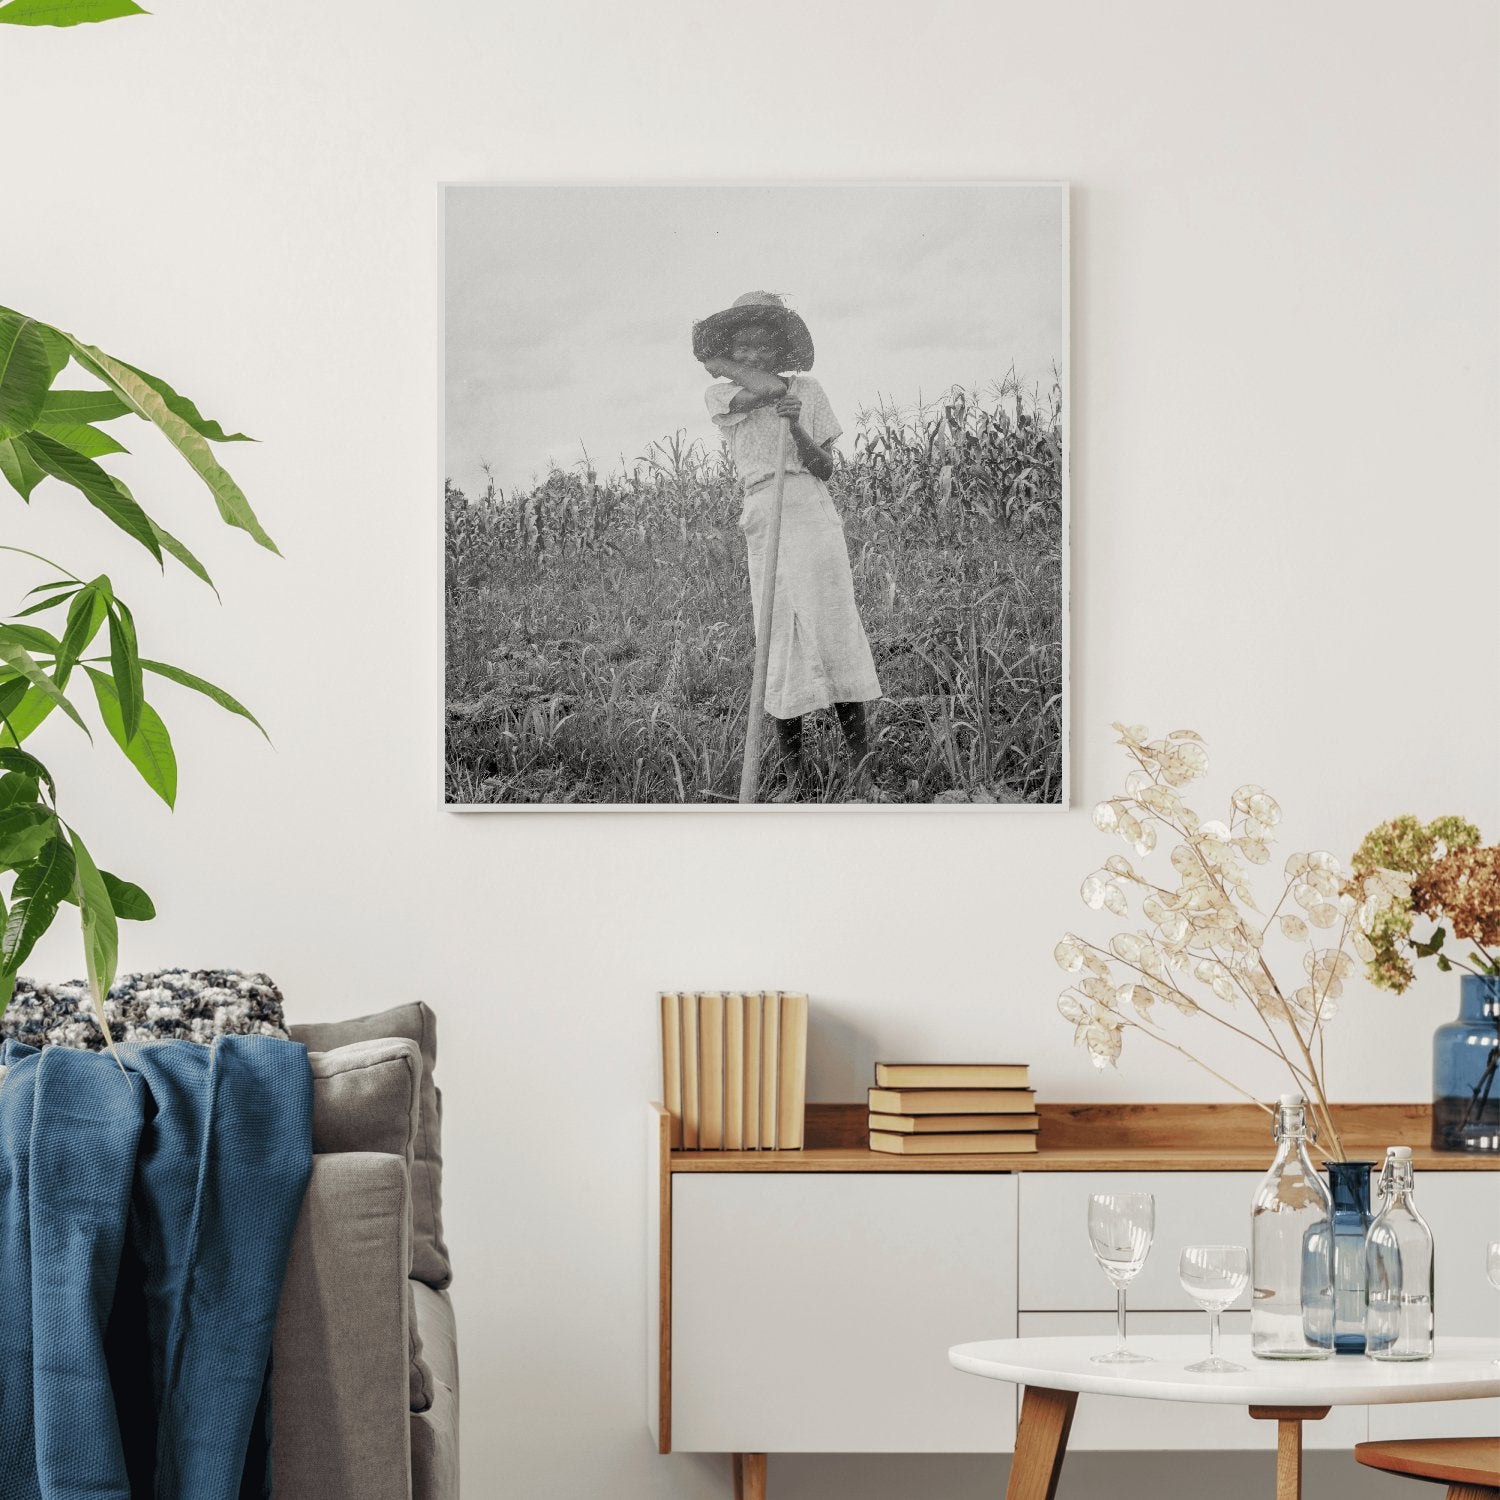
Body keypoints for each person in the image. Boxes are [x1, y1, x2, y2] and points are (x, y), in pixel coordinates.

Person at [692, 291, 882, 797]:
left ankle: (864, 773)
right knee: (774, 639)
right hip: (761, 508)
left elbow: (826, 469)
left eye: (762, 343)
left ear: (778, 345)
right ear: (731, 350)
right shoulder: (720, 395)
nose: (752, 354)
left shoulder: (809, 391)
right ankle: (794, 777)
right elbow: (758, 391)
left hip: (808, 506)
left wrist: (795, 424)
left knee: (833, 627)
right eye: (741, 346)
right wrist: (718, 364)